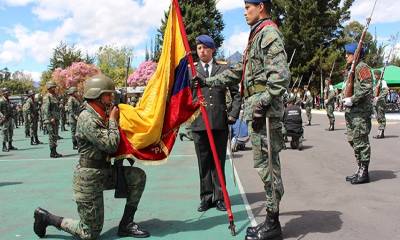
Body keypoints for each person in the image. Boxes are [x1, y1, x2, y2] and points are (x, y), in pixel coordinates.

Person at [195, 1, 289, 239]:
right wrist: (208, 82)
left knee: (268, 166)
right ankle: (271, 218)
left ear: (261, 7)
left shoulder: (268, 33)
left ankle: (273, 222)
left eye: (248, 7)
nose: (245, 12)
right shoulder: (256, 35)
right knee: (263, 165)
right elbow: (240, 71)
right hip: (259, 112)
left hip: (264, 113)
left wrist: (261, 102)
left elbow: (280, 77)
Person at [33, 74, 150, 239]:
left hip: (105, 172)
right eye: (108, 95)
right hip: (88, 178)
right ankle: (47, 218)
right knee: (89, 233)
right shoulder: (86, 117)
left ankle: (126, 223)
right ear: (98, 96)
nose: (111, 98)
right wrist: (113, 121)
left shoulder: (101, 113)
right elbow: (110, 144)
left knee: (137, 176)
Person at [191, 34, 241, 212]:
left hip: (219, 122)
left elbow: (236, 94)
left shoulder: (224, 68)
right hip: (199, 123)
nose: (202, 51)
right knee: (203, 162)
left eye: (205, 48)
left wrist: (233, 114)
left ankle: (220, 196)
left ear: (212, 49)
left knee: (218, 162)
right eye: (199, 48)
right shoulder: (192, 70)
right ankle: (206, 197)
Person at [342, 43, 373, 185]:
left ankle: (364, 172)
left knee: (361, 141)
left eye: (348, 54)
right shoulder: (351, 69)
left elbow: (367, 87)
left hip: (360, 113)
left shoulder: (362, 67)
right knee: (352, 140)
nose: (345, 56)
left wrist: (352, 99)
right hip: (351, 113)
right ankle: (360, 167)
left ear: (356, 54)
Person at [42, 81, 63, 158]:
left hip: (55, 118)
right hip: (50, 120)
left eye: (55, 87)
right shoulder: (47, 97)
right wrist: (50, 118)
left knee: (55, 135)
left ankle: (55, 151)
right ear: (49, 88)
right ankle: (52, 152)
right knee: (52, 136)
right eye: (53, 87)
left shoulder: (55, 96)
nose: (55, 88)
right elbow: (46, 109)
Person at [0, 87, 18, 152]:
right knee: (4, 133)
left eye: (8, 92)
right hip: (5, 119)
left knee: (11, 132)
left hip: (10, 118)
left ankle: (10, 145)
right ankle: (4, 146)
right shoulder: (1, 100)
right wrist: (2, 117)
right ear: (3, 93)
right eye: (6, 92)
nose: (8, 93)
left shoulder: (8, 100)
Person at [372, 69, 389, 139]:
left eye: (376, 74)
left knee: (381, 117)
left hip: (381, 102)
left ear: (379, 75)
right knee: (377, 117)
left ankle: (381, 133)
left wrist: (379, 97)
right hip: (375, 102)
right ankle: (380, 131)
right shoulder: (375, 82)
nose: (375, 75)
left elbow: (385, 91)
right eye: (374, 74)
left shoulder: (383, 82)